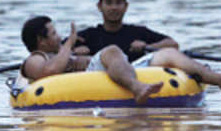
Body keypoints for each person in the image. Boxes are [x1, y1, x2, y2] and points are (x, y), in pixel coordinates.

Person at [75, 0, 221, 96]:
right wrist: (74, 51)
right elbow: (56, 51)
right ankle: (137, 88)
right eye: (109, 2)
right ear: (100, 6)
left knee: (169, 53)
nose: (113, 7)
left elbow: (173, 44)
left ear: (126, 6)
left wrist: (148, 46)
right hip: (99, 74)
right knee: (113, 50)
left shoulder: (137, 31)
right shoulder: (88, 35)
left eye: (118, 2)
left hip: (135, 71)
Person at [18, 15, 163, 104]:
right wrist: (70, 42)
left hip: (92, 80)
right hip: (73, 89)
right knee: (111, 50)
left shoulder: (57, 55)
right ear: (41, 41)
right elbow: (52, 70)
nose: (59, 37)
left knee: (164, 55)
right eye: (54, 33)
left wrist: (77, 55)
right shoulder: (34, 60)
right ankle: (137, 88)